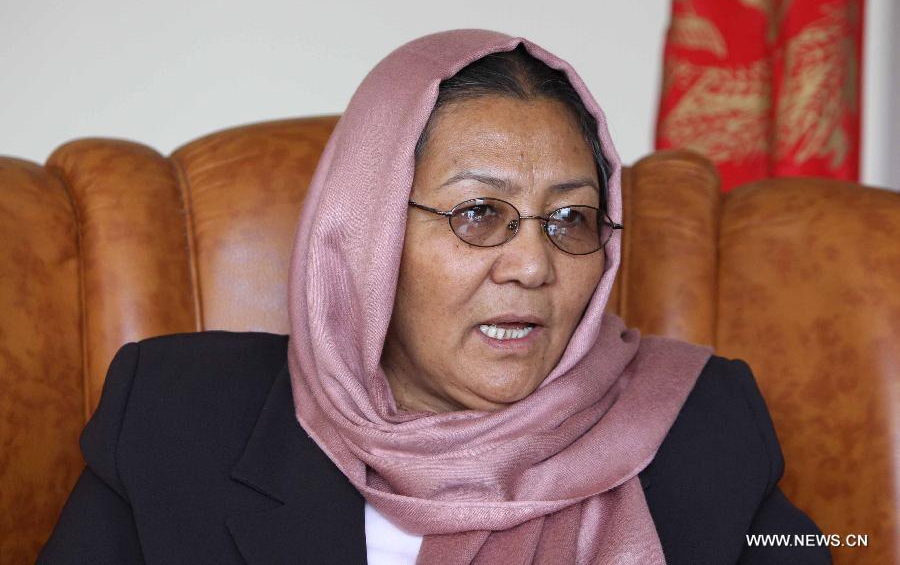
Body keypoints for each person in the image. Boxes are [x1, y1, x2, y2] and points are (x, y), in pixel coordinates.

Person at [37, 29, 830, 565]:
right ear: (368, 235)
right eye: (480, 213)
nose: (532, 264)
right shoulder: (173, 419)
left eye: (570, 219)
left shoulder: (701, 421)